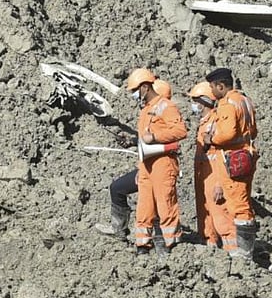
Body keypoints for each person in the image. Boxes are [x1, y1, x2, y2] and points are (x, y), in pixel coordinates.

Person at [94, 79, 173, 239]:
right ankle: (120, 229)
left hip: (157, 170)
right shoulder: (153, 115)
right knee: (117, 188)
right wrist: (132, 141)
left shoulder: (163, 116)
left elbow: (161, 145)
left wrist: (144, 170)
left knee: (154, 205)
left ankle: (158, 240)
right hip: (148, 167)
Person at [125, 68, 187, 254]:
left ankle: (172, 246)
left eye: (136, 90)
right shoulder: (146, 110)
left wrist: (156, 136)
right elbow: (143, 140)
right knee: (144, 206)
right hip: (147, 165)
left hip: (163, 163)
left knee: (165, 205)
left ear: (145, 87)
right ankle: (143, 245)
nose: (135, 94)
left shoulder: (165, 106)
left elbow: (180, 131)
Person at [202, 67, 258, 259]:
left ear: (221, 85)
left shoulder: (227, 104)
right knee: (243, 200)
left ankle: (244, 253)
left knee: (238, 205)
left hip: (234, 159)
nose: (212, 92)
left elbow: (227, 134)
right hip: (246, 156)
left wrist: (211, 138)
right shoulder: (244, 100)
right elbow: (253, 130)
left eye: (213, 87)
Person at [188, 81, 236, 251]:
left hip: (214, 178)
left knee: (221, 216)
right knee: (206, 216)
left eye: (195, 101)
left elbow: (222, 157)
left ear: (204, 101)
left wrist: (219, 184)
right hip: (203, 177)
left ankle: (234, 253)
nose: (193, 105)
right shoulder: (204, 123)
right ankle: (211, 249)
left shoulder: (216, 122)